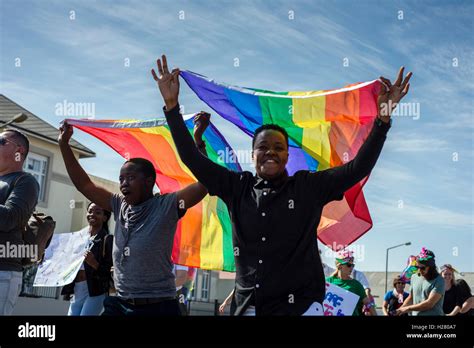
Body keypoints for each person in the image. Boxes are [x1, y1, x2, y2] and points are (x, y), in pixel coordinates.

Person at [152, 54, 412, 315]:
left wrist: (383, 119)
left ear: (288, 155)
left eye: (278, 147)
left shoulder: (308, 187)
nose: (270, 152)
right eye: (262, 147)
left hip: (301, 307)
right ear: (252, 155)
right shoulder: (236, 187)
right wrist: (172, 106)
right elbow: (192, 159)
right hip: (249, 308)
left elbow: (358, 168)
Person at [58, 113, 210, 316]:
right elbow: (85, 185)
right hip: (120, 304)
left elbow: (204, 183)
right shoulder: (118, 204)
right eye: (121, 178)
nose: (123, 184)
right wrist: (64, 146)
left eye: (130, 178)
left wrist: (199, 141)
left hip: (158, 307)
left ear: (148, 181)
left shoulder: (167, 205)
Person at [0, 128, 39, 315]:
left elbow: (10, 218)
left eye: (1, 141)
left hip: (3, 272)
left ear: (19, 151)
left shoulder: (26, 181)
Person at [61, 203, 113, 315]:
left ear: (105, 217)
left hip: (95, 290)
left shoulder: (107, 240)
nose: (92, 214)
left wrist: (94, 263)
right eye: (90, 211)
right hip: (76, 289)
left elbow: (110, 271)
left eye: (98, 212)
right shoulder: (78, 238)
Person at [326, 250, 377, 316]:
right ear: (340, 266)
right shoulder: (328, 282)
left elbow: (368, 303)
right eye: (349, 265)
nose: (352, 268)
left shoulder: (356, 285)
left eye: (353, 265)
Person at [396, 248, 445, 316]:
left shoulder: (439, 280)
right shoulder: (414, 277)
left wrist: (408, 308)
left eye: (422, 268)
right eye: (417, 267)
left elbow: (429, 304)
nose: (419, 270)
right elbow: (411, 297)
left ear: (430, 267)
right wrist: (400, 310)